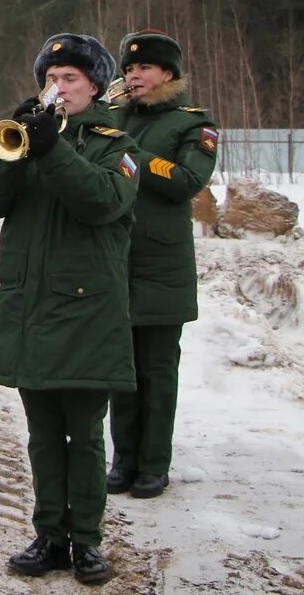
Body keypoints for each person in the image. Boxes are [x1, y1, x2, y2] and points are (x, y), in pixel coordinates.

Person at [0, 33, 140, 584]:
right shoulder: (31, 138)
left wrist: (53, 149)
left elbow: (102, 201)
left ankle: (86, 540)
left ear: (94, 86)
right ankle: (48, 535)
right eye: (51, 79)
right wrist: (13, 152)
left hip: (87, 310)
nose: (58, 88)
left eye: (69, 79)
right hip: (30, 306)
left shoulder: (118, 145)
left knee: (85, 433)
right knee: (42, 432)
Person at [105, 29, 218, 499]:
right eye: (129, 69)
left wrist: (133, 155)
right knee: (119, 368)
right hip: (115, 258)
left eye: (144, 68)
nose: (134, 76)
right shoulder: (113, 117)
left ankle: (154, 463)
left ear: (167, 74)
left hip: (161, 263)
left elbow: (188, 180)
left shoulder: (192, 124)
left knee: (156, 368)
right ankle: (123, 459)